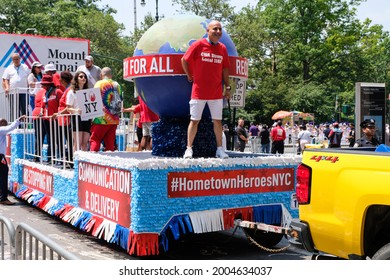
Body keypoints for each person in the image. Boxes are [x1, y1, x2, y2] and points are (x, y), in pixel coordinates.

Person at [181, 20, 230, 159]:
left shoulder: (223, 48)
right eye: (215, 29)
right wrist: (189, 75)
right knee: (194, 120)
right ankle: (189, 149)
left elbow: (225, 68)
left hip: (216, 93)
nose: (218, 31)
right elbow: (184, 60)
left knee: (217, 121)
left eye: (220, 29)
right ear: (207, 31)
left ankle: (220, 149)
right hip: (198, 92)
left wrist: (227, 87)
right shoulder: (198, 44)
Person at [89, 67, 122, 152]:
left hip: (101, 118)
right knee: (110, 144)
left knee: (95, 139)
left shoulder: (99, 83)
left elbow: (93, 99)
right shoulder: (117, 84)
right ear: (111, 75)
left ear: (101, 75)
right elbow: (120, 100)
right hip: (114, 119)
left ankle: (92, 160)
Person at [32, 74, 63, 163]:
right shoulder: (45, 93)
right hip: (46, 119)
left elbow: (62, 105)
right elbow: (42, 105)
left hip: (55, 119)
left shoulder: (58, 92)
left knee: (55, 139)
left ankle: (54, 158)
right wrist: (41, 112)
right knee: (49, 138)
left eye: (44, 84)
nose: (42, 86)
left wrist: (58, 114)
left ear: (49, 84)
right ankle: (49, 158)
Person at [0, 115, 26, 205]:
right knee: (3, 175)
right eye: (2, 123)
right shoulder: (1, 130)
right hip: (0, 157)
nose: (4, 124)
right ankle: (3, 198)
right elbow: (10, 128)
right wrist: (18, 120)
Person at [66, 71, 91, 152]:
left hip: (86, 118)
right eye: (81, 76)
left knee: (85, 143)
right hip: (76, 117)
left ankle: (84, 162)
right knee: (77, 142)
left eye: (85, 77)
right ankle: (75, 163)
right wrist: (76, 110)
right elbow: (68, 108)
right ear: (76, 78)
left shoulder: (88, 92)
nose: (83, 78)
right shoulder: (71, 92)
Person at [53, 71, 74, 164]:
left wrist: (59, 113)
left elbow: (68, 106)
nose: (59, 80)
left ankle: (69, 160)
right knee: (65, 140)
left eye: (61, 78)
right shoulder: (67, 89)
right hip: (63, 119)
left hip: (66, 119)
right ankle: (66, 159)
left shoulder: (69, 89)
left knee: (69, 141)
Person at [2, 53, 30, 118]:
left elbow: (29, 77)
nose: (16, 60)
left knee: (25, 109)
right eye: (14, 59)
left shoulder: (25, 67)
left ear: (20, 59)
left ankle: (25, 125)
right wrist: (7, 88)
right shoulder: (9, 68)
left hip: (24, 92)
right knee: (14, 110)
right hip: (13, 92)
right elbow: (5, 79)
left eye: (17, 59)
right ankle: (16, 126)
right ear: (12, 60)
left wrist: (29, 88)